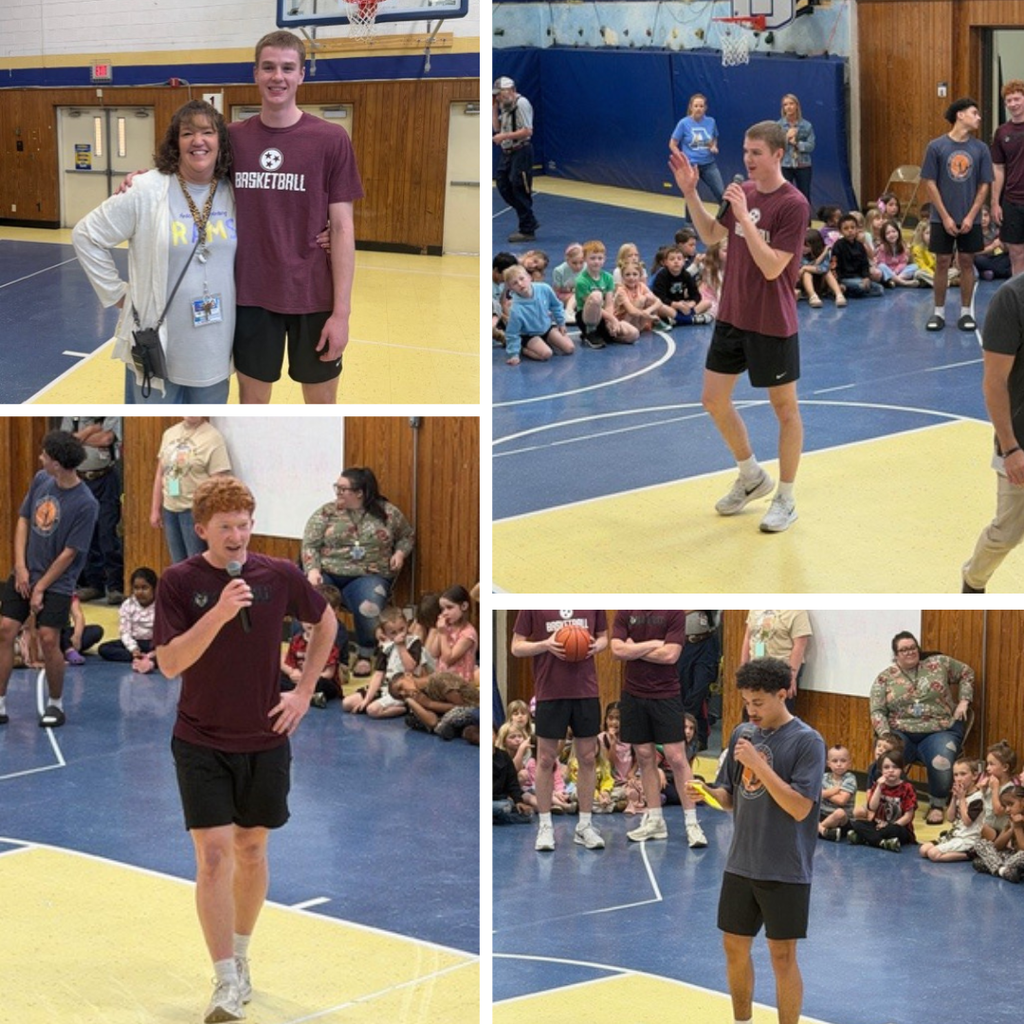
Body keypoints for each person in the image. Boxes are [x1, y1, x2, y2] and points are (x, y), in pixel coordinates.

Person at [153, 475, 335, 1023]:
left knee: (253, 850)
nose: (236, 536)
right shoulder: (179, 582)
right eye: (225, 526)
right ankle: (225, 980)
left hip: (265, 736)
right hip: (200, 738)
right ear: (201, 528)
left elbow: (324, 620)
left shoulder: (277, 573)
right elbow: (168, 663)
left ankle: (243, 954)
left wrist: (303, 690)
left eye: (244, 524)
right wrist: (220, 611)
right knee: (212, 855)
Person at [670, 121, 810, 534]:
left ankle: (785, 498)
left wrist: (746, 222)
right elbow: (713, 235)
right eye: (745, 152)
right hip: (732, 314)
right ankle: (751, 475)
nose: (747, 160)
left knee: (785, 410)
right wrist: (691, 193)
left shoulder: (794, 204)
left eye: (756, 153)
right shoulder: (741, 193)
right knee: (713, 400)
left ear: (778, 155)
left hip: (772, 321)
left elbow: (771, 267)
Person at [684, 657, 825, 1024]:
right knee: (733, 947)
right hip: (741, 863)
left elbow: (799, 808)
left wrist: (760, 765)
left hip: (785, 866)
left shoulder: (808, 742)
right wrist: (707, 793)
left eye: (759, 702)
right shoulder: (741, 734)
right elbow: (730, 798)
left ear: (783, 694)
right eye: (747, 702)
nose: (752, 710)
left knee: (782, 956)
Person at [226, 31, 363, 404]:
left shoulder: (330, 139)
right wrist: (143, 177)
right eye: (268, 67)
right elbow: (188, 171)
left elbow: (343, 226)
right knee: (252, 405)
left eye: (288, 68)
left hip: (313, 297)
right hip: (251, 297)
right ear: (255, 73)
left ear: (302, 75)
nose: (277, 77)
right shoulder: (232, 139)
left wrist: (342, 315)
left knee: (321, 406)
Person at [72, 101, 237, 403]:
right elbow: (86, 235)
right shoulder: (147, 190)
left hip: (215, 350)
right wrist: (117, 294)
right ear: (176, 142)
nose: (198, 140)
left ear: (220, 142)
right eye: (188, 133)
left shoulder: (234, 191)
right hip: (157, 347)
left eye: (207, 132)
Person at [0, 430, 99, 729]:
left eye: (45, 455)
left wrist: (41, 587)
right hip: (26, 572)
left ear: (57, 463)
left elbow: (70, 553)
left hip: (57, 581)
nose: (40, 458)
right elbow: (24, 519)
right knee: (5, 630)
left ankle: (55, 704)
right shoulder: (42, 480)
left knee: (48, 638)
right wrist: (20, 565)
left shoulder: (86, 503)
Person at [301, 467, 414, 677]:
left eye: (343, 489)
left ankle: (365, 654)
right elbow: (310, 544)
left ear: (359, 492)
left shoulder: (388, 513)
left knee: (369, 603)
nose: (338, 493)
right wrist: (313, 569)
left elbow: (406, 536)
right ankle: (310, 652)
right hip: (329, 572)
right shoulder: (326, 513)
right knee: (308, 596)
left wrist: (399, 553)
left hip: (368, 575)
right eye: (337, 487)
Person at [511, 609, 609, 851]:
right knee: (545, 759)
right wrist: (546, 644)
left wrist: (594, 646)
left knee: (587, 757)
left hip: (586, 690)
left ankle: (584, 825)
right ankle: (545, 826)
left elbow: (604, 637)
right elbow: (516, 646)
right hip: (550, 691)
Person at [611, 610, 708, 848]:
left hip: (666, 695)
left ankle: (692, 823)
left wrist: (635, 649)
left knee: (676, 757)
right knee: (644, 757)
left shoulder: (673, 611)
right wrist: (654, 644)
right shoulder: (625, 610)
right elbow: (616, 651)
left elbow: (671, 655)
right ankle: (655, 820)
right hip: (633, 694)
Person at [869, 630, 975, 823]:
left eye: (913, 648)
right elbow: (877, 710)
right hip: (901, 731)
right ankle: (892, 800)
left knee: (941, 761)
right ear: (895, 655)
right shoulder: (885, 678)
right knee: (885, 759)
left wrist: (964, 701)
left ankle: (937, 804)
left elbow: (967, 672)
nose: (909, 652)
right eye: (904, 650)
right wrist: (885, 736)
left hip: (940, 728)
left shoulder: (939, 664)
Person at [961, 272, 1024, 592]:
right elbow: (994, 382)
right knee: (1008, 532)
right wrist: (1010, 448)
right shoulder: (1011, 299)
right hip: (1020, 442)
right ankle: (973, 581)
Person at [920, 96, 993, 332]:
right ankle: (938, 312)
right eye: (975, 112)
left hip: (968, 216)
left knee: (966, 262)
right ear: (960, 115)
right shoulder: (936, 146)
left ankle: (965, 313)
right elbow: (930, 183)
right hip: (942, 217)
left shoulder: (980, 149)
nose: (978, 117)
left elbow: (984, 185)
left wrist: (972, 216)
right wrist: (945, 216)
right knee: (942, 262)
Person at [151, 417, 232, 563]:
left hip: (194, 511)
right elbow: (160, 474)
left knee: (195, 563)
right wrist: (155, 509)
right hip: (170, 508)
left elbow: (218, 482)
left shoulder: (213, 438)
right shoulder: (170, 433)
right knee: (177, 564)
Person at [62, 416, 124, 604]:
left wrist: (78, 437)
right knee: (86, 533)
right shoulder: (72, 414)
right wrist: (91, 431)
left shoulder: (110, 412)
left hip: (105, 479)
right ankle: (93, 584)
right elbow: (65, 443)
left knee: (107, 532)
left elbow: (106, 439)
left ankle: (115, 586)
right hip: (80, 480)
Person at [341, 605, 432, 717]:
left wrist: (401, 646)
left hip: (402, 691)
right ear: (386, 634)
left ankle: (405, 707)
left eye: (402, 629)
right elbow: (378, 675)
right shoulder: (386, 647)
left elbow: (410, 667)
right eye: (393, 633)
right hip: (385, 688)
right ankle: (376, 702)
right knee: (347, 703)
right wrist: (367, 698)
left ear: (407, 625)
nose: (399, 635)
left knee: (372, 710)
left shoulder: (414, 642)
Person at [492, 76, 538, 243]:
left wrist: (505, 136)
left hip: (521, 150)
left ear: (510, 91)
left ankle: (527, 228)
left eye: (500, 94)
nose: (498, 97)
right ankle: (529, 219)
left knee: (519, 186)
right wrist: (493, 108)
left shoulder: (521, 104)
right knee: (503, 185)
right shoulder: (504, 106)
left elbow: (528, 131)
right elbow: (497, 128)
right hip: (507, 151)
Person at [501, 264, 574, 366]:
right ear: (511, 288)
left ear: (529, 277)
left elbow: (556, 305)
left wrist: (561, 323)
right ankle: (524, 349)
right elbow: (512, 333)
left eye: (522, 279)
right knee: (546, 354)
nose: (520, 284)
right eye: (515, 283)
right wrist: (514, 354)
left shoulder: (544, 288)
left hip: (546, 328)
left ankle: (547, 341)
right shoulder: (516, 309)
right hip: (529, 334)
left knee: (569, 348)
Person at [846, 750, 917, 852]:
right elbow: (872, 807)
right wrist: (879, 787)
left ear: (902, 769)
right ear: (881, 770)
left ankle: (866, 838)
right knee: (856, 823)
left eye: (895, 767)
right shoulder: (878, 785)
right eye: (886, 767)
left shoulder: (907, 788)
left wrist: (890, 826)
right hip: (878, 824)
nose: (891, 770)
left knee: (893, 830)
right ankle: (882, 843)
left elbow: (908, 816)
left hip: (898, 827)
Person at [669, 93, 725, 223]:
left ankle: (726, 221)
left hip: (709, 164)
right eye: (696, 106)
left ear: (705, 108)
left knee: (721, 193)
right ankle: (689, 225)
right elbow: (672, 143)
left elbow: (713, 139)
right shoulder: (684, 123)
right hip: (691, 166)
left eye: (701, 106)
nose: (699, 108)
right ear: (691, 107)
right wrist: (681, 157)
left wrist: (713, 146)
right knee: (691, 195)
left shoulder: (711, 122)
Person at [574, 240, 640, 348]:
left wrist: (610, 322)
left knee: (633, 334)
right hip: (586, 316)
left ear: (604, 259)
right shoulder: (581, 280)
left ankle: (607, 334)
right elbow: (592, 304)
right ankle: (590, 331)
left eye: (600, 258)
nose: (596, 262)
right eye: (593, 258)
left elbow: (609, 304)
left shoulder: (608, 277)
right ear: (585, 259)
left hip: (603, 316)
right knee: (596, 296)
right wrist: (612, 319)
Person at [918, 756, 984, 861]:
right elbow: (950, 818)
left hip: (967, 839)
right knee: (923, 850)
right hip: (954, 835)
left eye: (963, 774)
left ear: (975, 775)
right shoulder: (959, 793)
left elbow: (967, 822)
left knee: (933, 854)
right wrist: (954, 797)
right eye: (956, 775)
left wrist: (962, 799)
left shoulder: (977, 798)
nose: (958, 778)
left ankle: (971, 854)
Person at [741, 610, 812, 709]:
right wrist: (744, 670)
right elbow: (748, 638)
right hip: (756, 669)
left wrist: (791, 676)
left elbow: (800, 645)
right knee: (753, 712)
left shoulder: (797, 611)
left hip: (780, 672)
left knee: (776, 715)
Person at [989, 79, 1024, 277]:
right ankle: (1018, 300)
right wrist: (995, 202)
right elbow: (998, 168)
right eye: (1009, 101)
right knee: (1016, 252)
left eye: (1017, 99)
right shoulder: (1002, 133)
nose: (1013, 104)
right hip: (1012, 201)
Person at [98, 567, 159, 672]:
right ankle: (142, 658)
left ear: (154, 588)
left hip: (153, 643)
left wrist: (158, 648)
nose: (140, 592)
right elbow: (125, 631)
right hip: (134, 643)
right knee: (104, 649)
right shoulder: (127, 605)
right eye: (136, 588)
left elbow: (164, 630)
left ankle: (151, 657)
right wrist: (133, 649)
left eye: (145, 588)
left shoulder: (161, 605)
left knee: (172, 651)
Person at [677, 610, 720, 751]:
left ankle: (696, 735)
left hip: (706, 642)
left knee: (699, 690)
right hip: (685, 643)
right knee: (683, 689)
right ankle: (687, 735)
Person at [971, 785, 1024, 880]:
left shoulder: (1019, 823)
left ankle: (998, 868)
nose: (1007, 809)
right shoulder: (1011, 819)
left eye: (1011, 804)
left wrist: (1018, 827)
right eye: (1005, 806)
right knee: (979, 846)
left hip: (1021, 858)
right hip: (1011, 857)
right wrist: (1010, 830)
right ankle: (1003, 870)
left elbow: (1022, 850)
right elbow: (997, 846)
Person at [651, 245, 713, 326]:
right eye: (672, 259)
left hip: (683, 306)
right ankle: (690, 320)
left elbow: (696, 295)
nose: (676, 261)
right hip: (670, 306)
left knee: (707, 303)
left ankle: (678, 320)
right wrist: (675, 305)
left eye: (679, 259)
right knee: (660, 308)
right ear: (666, 262)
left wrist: (691, 304)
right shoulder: (662, 275)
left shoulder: (686, 275)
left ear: (684, 261)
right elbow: (659, 297)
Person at [831, 214, 885, 297]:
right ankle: (844, 289)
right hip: (845, 279)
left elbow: (864, 263)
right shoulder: (838, 246)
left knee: (880, 289)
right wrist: (838, 282)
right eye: (846, 228)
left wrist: (866, 277)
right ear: (840, 231)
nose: (850, 231)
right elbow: (834, 266)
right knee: (861, 286)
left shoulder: (860, 245)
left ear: (857, 229)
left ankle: (849, 292)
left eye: (852, 228)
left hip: (859, 278)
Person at [777, 93, 815, 203]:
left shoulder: (806, 125)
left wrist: (797, 144)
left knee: (804, 195)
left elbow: (811, 145)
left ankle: (804, 219)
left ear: (797, 106)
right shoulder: (778, 125)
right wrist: (786, 137)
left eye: (791, 104)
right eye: (785, 105)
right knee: (783, 195)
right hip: (785, 164)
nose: (788, 107)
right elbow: (774, 144)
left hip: (803, 165)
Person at [435, 584, 478, 680]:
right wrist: (438, 631)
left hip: (459, 686)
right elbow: (434, 652)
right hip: (443, 682)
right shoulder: (446, 629)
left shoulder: (468, 633)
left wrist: (442, 634)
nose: (445, 613)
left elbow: (449, 659)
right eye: (442, 609)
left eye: (449, 607)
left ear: (464, 606)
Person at [817, 745, 857, 840]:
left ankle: (818, 830)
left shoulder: (850, 778)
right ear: (828, 763)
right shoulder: (824, 777)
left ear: (849, 763)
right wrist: (833, 791)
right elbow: (815, 794)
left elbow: (841, 800)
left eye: (843, 761)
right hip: (822, 814)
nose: (839, 764)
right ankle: (825, 832)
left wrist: (824, 793)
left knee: (840, 813)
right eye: (835, 761)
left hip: (841, 821)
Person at [799, 228, 846, 307]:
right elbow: (804, 267)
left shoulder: (823, 252)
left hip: (821, 282)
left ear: (814, 245)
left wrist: (805, 268)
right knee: (807, 273)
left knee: (828, 272)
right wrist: (823, 254)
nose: (803, 248)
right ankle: (812, 296)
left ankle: (839, 295)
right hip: (805, 284)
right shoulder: (801, 255)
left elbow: (824, 268)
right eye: (802, 245)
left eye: (806, 246)